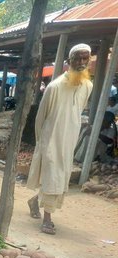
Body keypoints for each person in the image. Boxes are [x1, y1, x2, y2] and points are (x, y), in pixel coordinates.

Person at [27, 44, 93, 235]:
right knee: (53, 175)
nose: (81, 63)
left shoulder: (88, 85)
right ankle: (47, 219)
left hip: (69, 138)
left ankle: (34, 201)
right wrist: (42, 142)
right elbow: (40, 118)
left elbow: (78, 111)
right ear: (69, 61)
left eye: (85, 59)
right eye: (77, 59)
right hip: (51, 139)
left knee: (59, 176)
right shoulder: (54, 87)